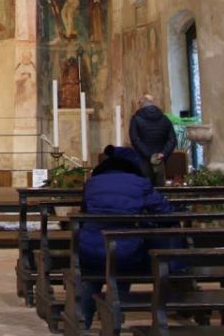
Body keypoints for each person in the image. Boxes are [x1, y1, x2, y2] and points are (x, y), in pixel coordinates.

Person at [76, 145, 176, 331]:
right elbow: (166, 212)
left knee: (92, 275)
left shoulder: (92, 183)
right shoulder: (140, 183)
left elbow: (84, 211)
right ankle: (116, 313)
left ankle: (83, 323)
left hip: (90, 249)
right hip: (126, 252)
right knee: (125, 260)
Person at [129, 94, 176, 185]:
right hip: (161, 160)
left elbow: (135, 139)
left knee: (145, 187)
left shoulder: (136, 119)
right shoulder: (165, 119)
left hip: (143, 160)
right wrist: (163, 153)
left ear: (141, 104)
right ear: (153, 103)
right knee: (161, 189)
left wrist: (149, 155)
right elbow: (172, 140)